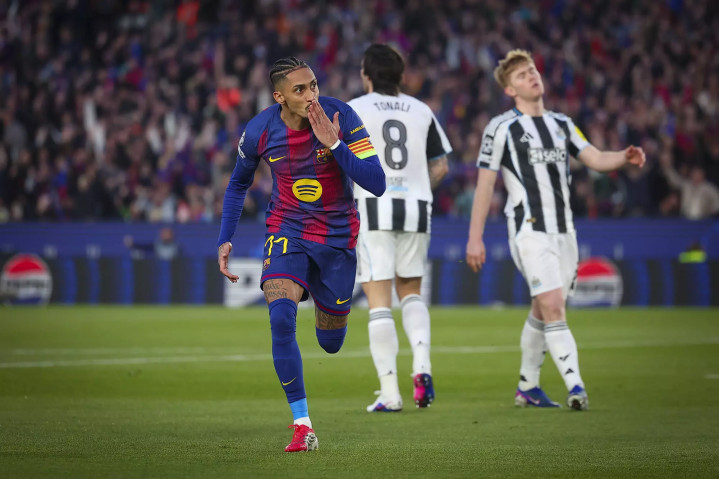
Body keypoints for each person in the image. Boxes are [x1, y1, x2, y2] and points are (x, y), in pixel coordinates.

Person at [217, 57, 385, 451]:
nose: (312, 95)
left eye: (314, 85)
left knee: (331, 342)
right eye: (300, 90)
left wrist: (335, 144)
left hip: (337, 239)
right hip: (286, 229)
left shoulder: (341, 116)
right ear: (279, 97)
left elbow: (377, 182)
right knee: (280, 318)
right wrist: (226, 238)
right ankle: (302, 424)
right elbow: (238, 184)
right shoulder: (259, 130)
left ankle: (323, 307)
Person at [465, 50, 645, 411]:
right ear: (510, 90)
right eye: (521, 75)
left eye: (532, 70)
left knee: (543, 307)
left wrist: (623, 158)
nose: (532, 76)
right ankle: (576, 387)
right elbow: (485, 185)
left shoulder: (562, 124)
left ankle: (527, 387)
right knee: (553, 306)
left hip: (565, 232)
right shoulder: (501, 128)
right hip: (529, 229)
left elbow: (595, 157)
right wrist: (475, 237)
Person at [348, 44, 451, 412]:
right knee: (411, 291)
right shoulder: (422, 110)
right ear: (401, 75)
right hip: (416, 206)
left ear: (366, 75)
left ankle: (390, 393)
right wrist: (419, 187)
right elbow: (440, 166)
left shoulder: (355, 109)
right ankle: (422, 367)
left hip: (373, 205)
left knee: (379, 300)